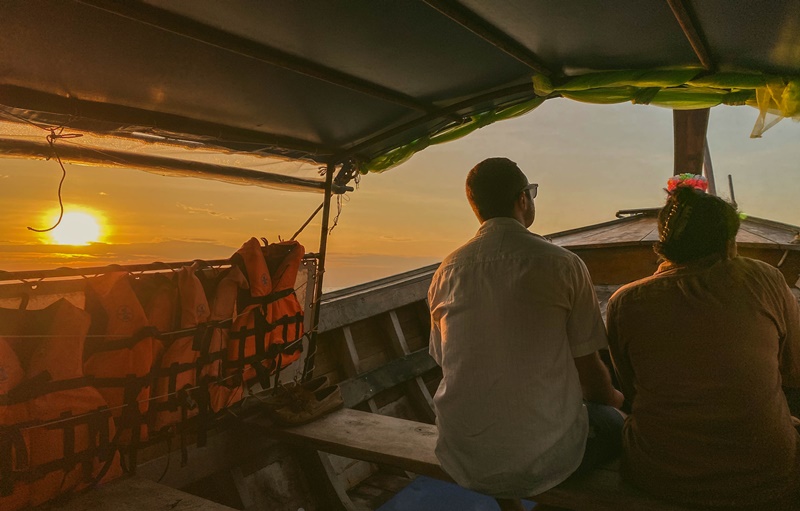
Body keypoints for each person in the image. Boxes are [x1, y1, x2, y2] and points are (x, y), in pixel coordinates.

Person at [428, 157, 625, 510]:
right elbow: (591, 375)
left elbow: (446, 361)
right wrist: (618, 402)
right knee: (611, 421)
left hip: (462, 453)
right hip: (544, 459)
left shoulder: (446, 271)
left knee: (506, 417)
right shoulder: (562, 264)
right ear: (523, 199)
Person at [606, 174, 800, 510]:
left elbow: (632, 390)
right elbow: (793, 371)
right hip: (768, 474)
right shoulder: (764, 278)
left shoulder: (624, 302)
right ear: (729, 243)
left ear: (662, 244)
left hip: (658, 474)